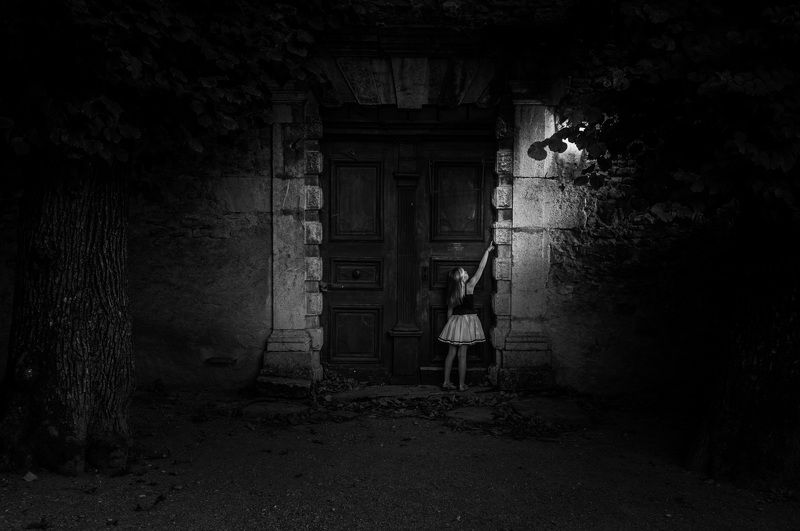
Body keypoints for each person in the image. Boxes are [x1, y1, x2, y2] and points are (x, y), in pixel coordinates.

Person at [438, 240, 495, 391]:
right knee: (462, 354)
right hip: (467, 323)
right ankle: (461, 385)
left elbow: (449, 312)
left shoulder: (452, 293)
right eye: (464, 272)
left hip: (454, 323)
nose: (467, 272)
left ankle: (446, 382)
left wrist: (450, 328)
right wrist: (487, 251)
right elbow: (481, 268)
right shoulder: (470, 286)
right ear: (462, 278)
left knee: (451, 353)